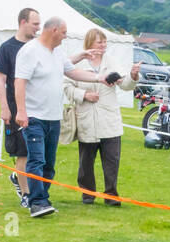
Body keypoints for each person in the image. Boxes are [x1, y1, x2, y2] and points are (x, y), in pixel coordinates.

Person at [14, 17, 110, 218]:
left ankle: (44, 199)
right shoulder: (30, 51)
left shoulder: (57, 52)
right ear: (54, 30)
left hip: (53, 117)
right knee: (36, 160)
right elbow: (19, 82)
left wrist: (98, 78)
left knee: (49, 164)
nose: (66, 36)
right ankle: (37, 202)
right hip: (34, 117)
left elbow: (72, 72)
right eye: (64, 32)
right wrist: (21, 111)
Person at [70, 27, 139, 206]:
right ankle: (87, 194)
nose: (103, 45)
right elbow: (67, 87)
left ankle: (111, 195)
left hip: (109, 119)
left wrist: (132, 76)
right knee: (86, 161)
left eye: (105, 42)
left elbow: (124, 84)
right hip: (87, 118)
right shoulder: (78, 63)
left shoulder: (112, 61)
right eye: (99, 42)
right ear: (90, 43)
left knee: (111, 160)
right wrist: (84, 95)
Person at [0, 8, 41, 209]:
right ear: (23, 22)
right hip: (16, 109)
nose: (39, 28)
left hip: (38, 108)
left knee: (38, 154)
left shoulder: (38, 47)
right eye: (35, 24)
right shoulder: (7, 47)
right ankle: (26, 195)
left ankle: (18, 177)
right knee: (23, 153)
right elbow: (1, 79)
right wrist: (5, 108)